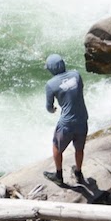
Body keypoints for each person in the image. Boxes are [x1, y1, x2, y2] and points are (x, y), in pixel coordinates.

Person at [43, 54, 89, 186]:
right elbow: (80, 89)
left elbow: (49, 107)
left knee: (56, 147)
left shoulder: (51, 85)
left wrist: (53, 110)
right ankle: (79, 173)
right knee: (79, 148)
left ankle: (58, 175)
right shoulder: (76, 75)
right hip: (82, 119)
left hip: (67, 123)